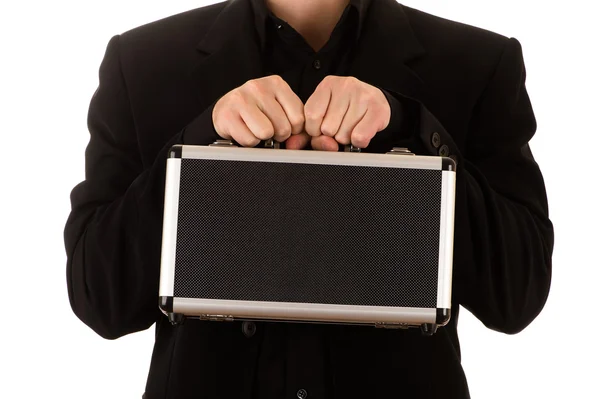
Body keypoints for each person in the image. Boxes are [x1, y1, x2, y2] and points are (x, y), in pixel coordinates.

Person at [64, 0, 554, 397]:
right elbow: (100, 299)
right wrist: (195, 145)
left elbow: (517, 294)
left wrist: (413, 129)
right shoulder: (143, 63)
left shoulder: (478, 64)